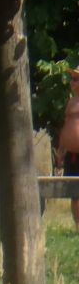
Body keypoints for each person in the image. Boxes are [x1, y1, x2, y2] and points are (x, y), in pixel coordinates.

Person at [60, 67, 79, 228]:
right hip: (71, 154)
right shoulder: (71, 102)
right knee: (74, 192)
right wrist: (60, 151)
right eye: (72, 78)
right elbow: (65, 126)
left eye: (76, 79)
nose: (72, 82)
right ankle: (77, 226)